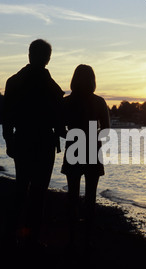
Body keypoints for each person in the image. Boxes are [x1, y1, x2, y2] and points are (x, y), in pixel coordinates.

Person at [2, 39, 64, 246]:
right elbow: (58, 111)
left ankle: (16, 234)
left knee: (22, 188)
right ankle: (30, 237)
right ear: (47, 58)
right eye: (46, 56)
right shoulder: (47, 82)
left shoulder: (14, 81)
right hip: (43, 141)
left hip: (23, 139)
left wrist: (9, 139)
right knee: (38, 191)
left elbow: (7, 116)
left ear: (29, 55)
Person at [61, 64, 110, 224]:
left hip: (73, 148)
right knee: (91, 197)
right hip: (92, 149)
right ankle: (88, 236)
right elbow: (106, 129)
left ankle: (72, 237)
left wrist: (70, 136)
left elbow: (59, 127)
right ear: (92, 80)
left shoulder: (67, 102)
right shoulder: (99, 102)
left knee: (72, 196)